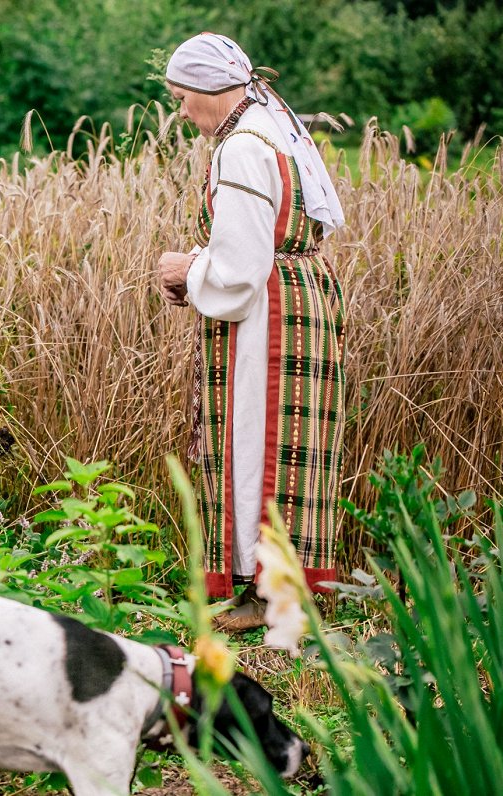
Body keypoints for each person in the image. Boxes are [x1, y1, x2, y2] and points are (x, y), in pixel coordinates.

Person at [156, 33, 346, 630]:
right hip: (300, 300)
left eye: (183, 96)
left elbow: (238, 271)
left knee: (259, 445)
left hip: (268, 318)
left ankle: (272, 597)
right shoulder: (274, 130)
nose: (182, 112)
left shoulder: (241, 147)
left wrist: (189, 270)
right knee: (291, 448)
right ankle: (276, 594)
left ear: (213, 88)